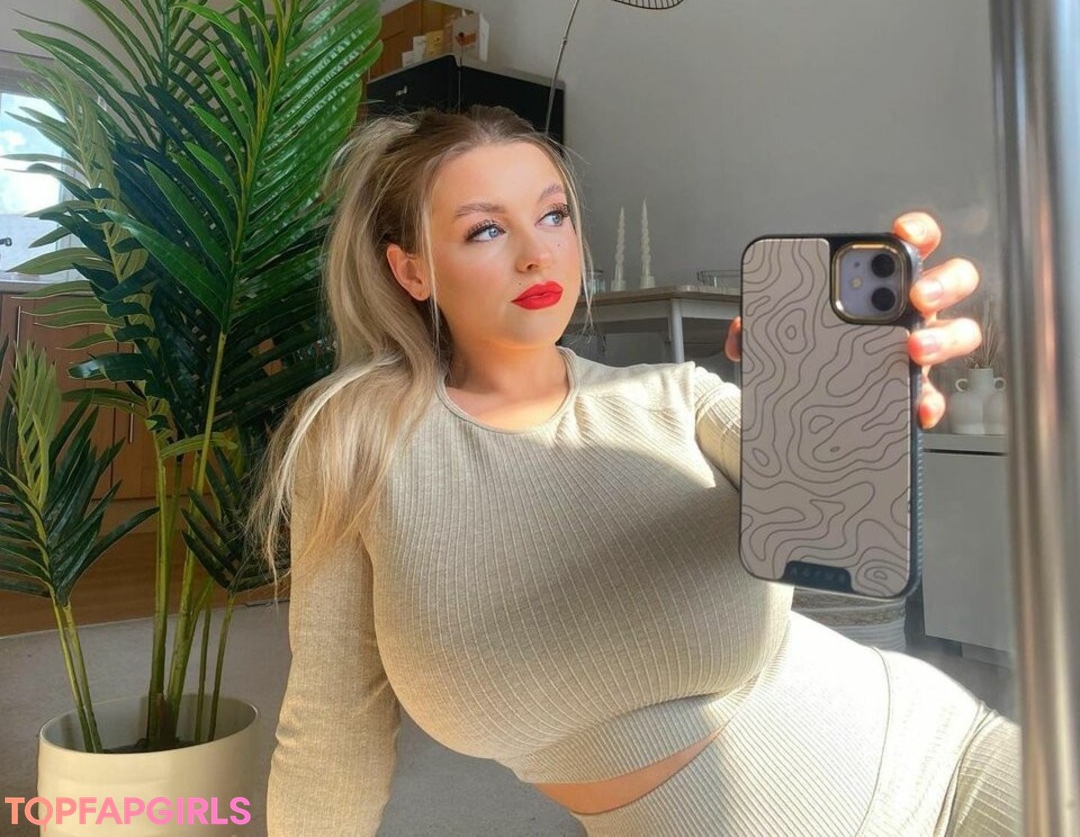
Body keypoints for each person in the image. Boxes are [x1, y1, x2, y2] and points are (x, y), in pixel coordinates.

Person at [250, 104, 1020, 837]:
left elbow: (841, 510)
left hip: (949, 763)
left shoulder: (677, 396)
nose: (537, 252)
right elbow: (331, 721)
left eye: (554, 215)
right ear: (411, 271)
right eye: (486, 228)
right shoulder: (358, 441)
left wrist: (862, 396)